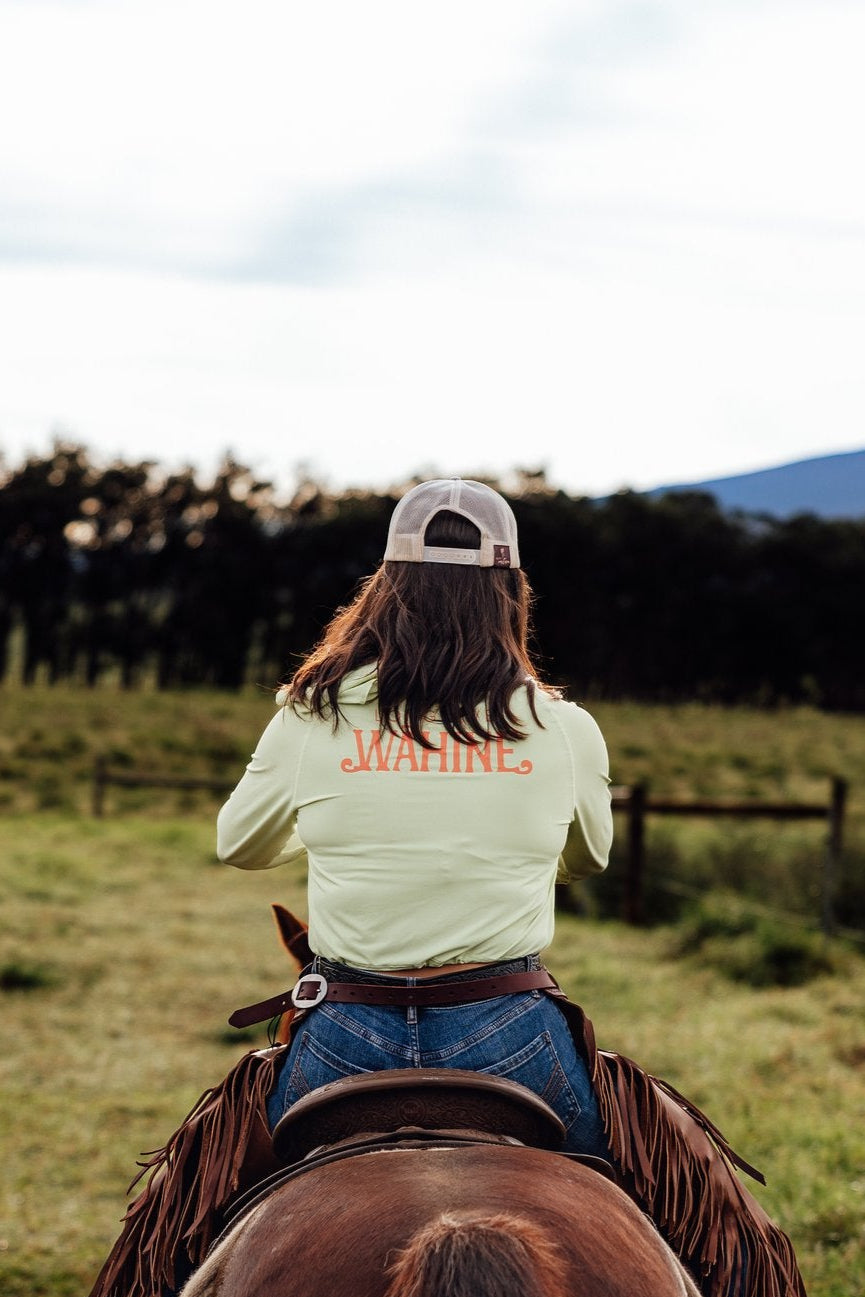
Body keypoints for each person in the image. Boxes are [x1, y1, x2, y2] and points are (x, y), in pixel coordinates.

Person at [90, 480, 805, 1297]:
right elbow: (588, 859)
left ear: (385, 587)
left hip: (343, 1030)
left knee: (167, 1228)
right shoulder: (564, 727)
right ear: (509, 594)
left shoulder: (307, 713)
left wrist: (344, 821)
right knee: (718, 1224)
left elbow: (240, 844)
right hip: (515, 1032)